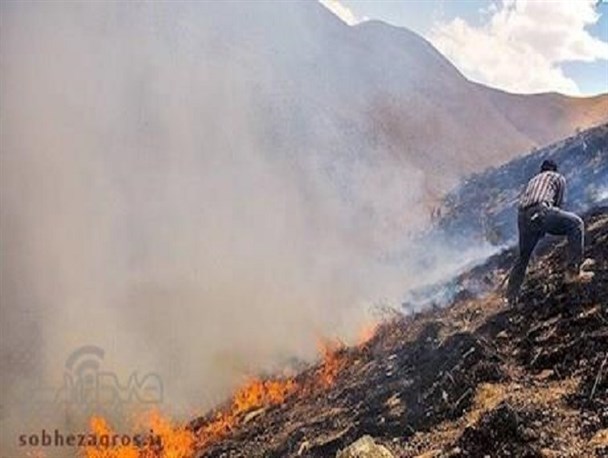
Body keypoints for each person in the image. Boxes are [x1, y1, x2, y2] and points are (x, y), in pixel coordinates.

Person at [506, 159, 594, 305]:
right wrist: (547, 224)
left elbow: (525, 203)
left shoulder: (532, 181)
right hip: (541, 211)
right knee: (576, 224)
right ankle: (573, 273)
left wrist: (537, 229)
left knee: (523, 256)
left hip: (522, 217)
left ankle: (510, 296)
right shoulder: (557, 178)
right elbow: (557, 205)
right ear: (554, 169)